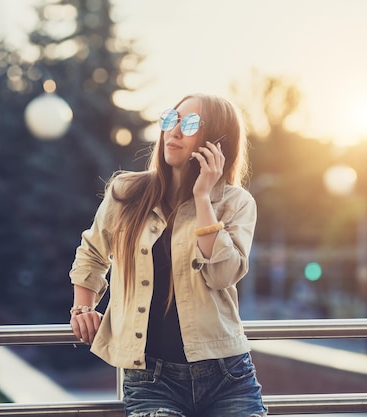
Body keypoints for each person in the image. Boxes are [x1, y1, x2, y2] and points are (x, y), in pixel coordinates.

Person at [68, 93, 268, 417]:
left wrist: (203, 198)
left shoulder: (236, 203)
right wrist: (83, 306)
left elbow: (222, 275)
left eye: (189, 124)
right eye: (170, 120)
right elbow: (92, 251)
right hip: (150, 380)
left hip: (227, 374)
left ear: (217, 144)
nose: (173, 132)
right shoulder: (126, 193)